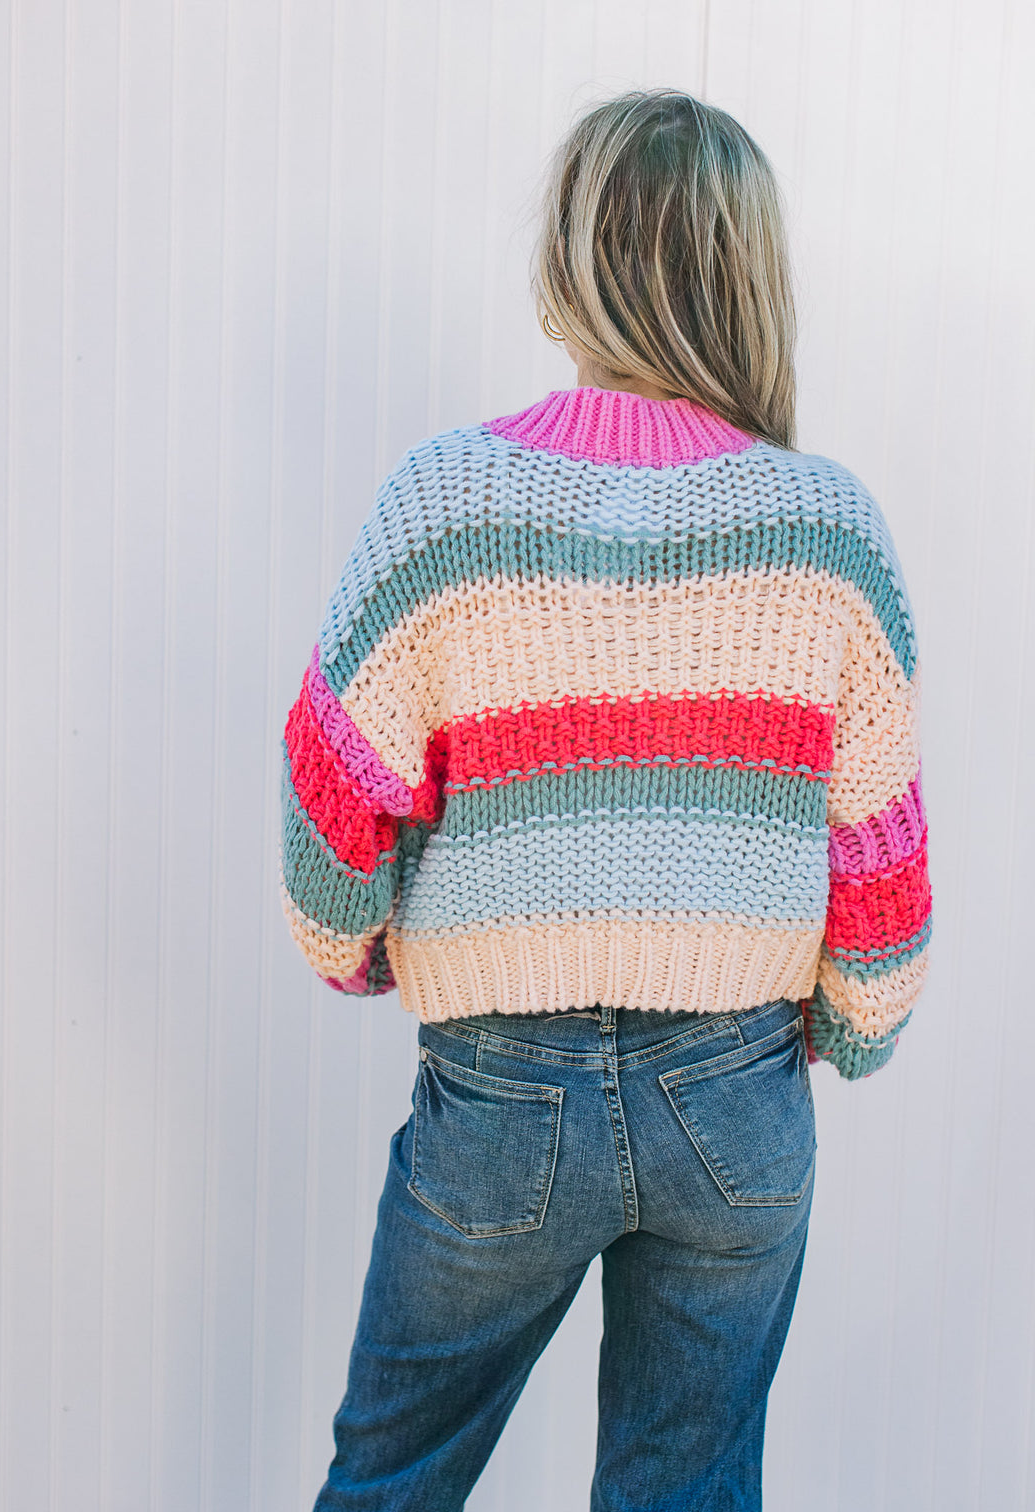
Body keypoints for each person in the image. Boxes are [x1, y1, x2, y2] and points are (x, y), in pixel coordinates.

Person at [280, 89, 931, 1512]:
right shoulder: (832, 530)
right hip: (738, 1099)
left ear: (568, 261)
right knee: (686, 1491)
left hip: (497, 1091)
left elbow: (332, 802)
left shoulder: (444, 505)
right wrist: (840, 1032)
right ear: (751, 274)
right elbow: (881, 878)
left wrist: (361, 953)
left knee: (390, 1479)